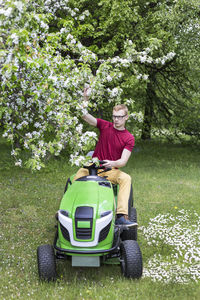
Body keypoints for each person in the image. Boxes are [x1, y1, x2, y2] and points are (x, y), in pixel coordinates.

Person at [73, 87, 137, 227]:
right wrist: (85, 98)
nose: (116, 119)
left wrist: (111, 163)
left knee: (126, 178)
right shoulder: (105, 126)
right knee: (75, 178)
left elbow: (122, 161)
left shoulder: (129, 138)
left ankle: (121, 215)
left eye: (120, 116)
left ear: (126, 117)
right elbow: (84, 115)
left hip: (110, 170)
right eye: (114, 116)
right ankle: (67, 211)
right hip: (92, 168)